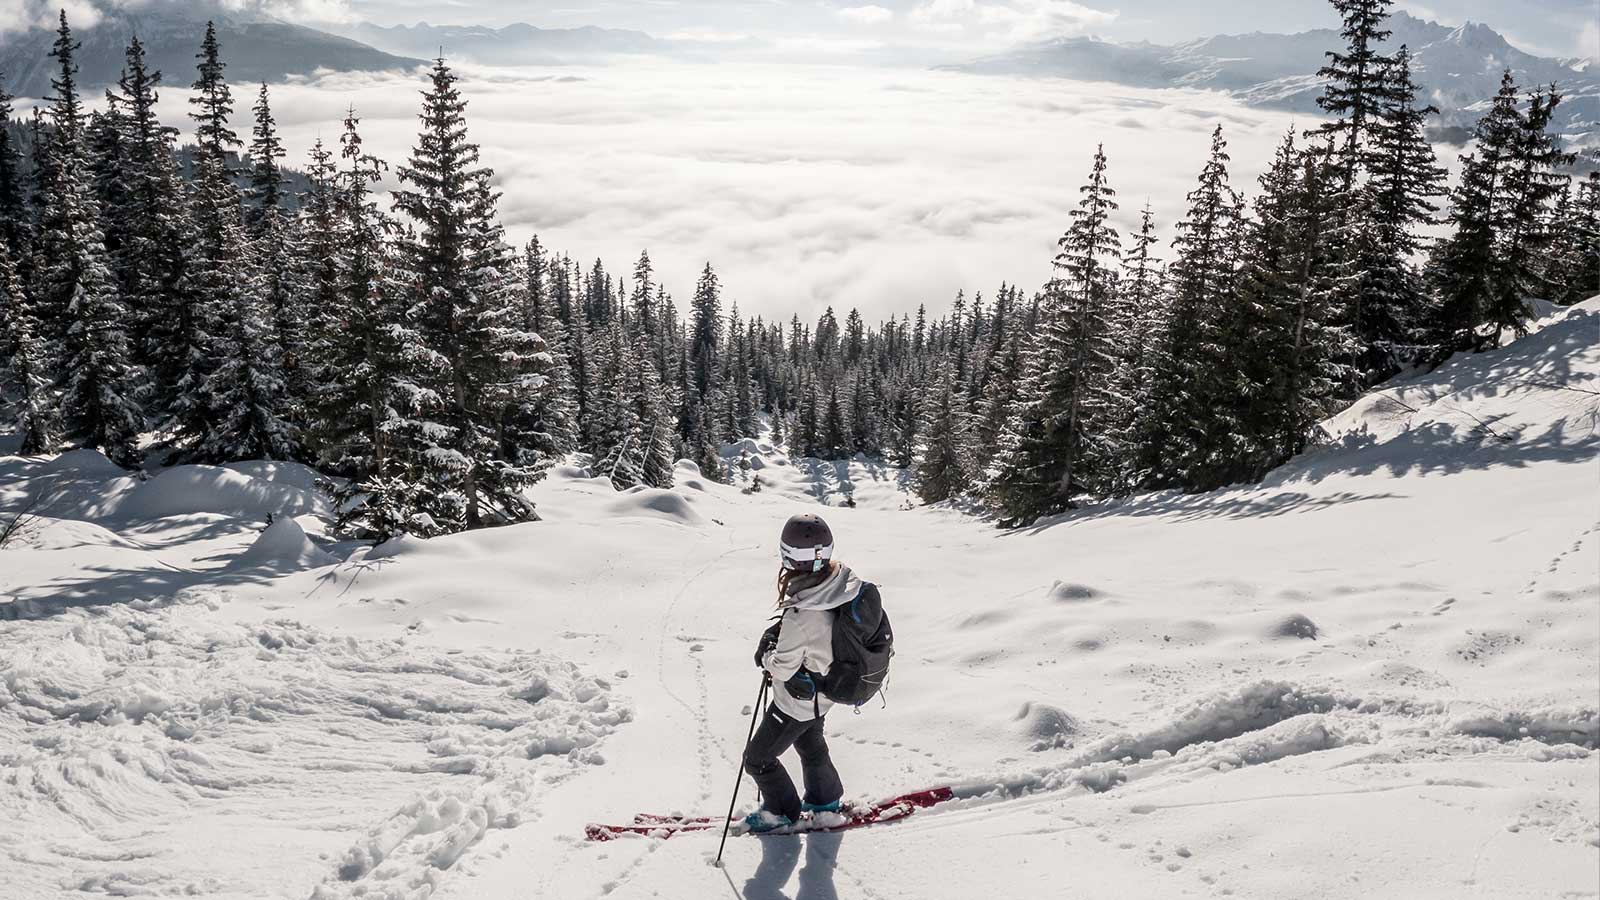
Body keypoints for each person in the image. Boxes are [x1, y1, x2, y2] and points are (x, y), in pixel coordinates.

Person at [742, 513, 881, 833]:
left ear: (788, 557)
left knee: (758, 759)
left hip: (796, 701)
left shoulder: (801, 613)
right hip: (824, 691)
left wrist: (766, 654)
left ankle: (780, 811)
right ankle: (824, 799)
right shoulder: (842, 583)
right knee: (810, 743)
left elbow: (782, 666)